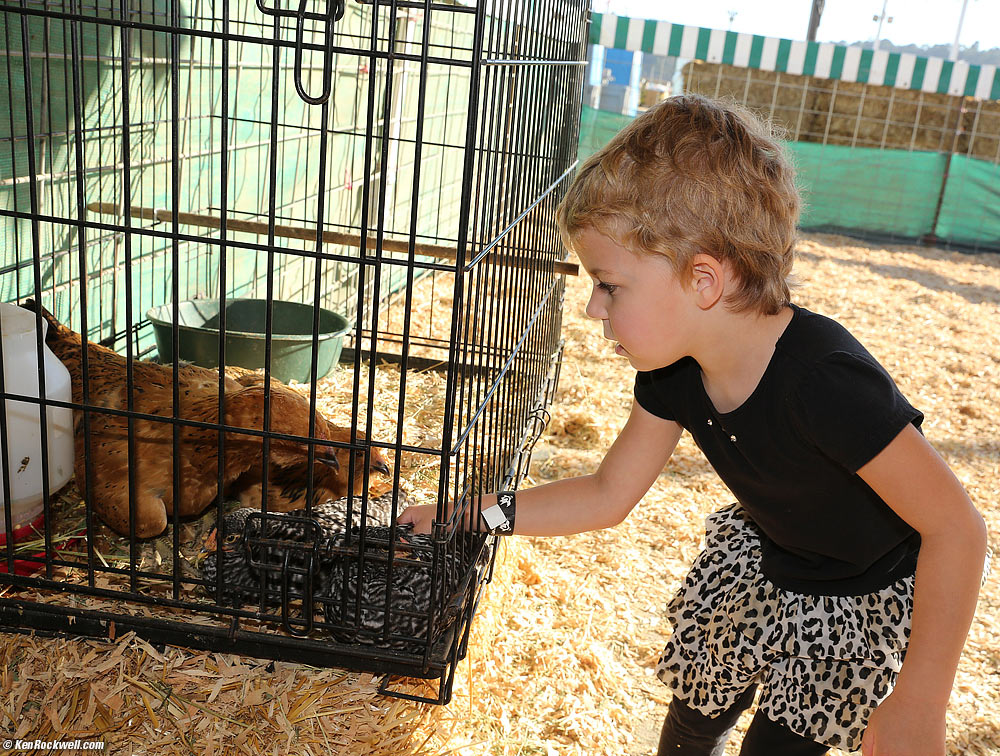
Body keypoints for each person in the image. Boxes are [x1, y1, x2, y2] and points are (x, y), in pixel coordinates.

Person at [400, 94, 989, 755]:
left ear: (702, 279)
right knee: (686, 734)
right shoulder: (673, 372)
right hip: (763, 565)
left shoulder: (825, 381)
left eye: (609, 284)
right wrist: (468, 514)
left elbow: (956, 528)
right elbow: (606, 494)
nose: (594, 307)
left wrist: (920, 701)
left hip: (858, 603)